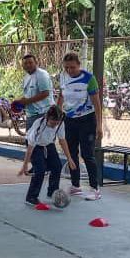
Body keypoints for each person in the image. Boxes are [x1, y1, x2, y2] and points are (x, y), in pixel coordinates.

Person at [56, 52, 106, 201]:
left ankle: (94, 188)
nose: (70, 70)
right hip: (69, 119)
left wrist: (99, 125)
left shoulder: (89, 79)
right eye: (67, 68)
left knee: (87, 154)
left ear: (79, 65)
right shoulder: (63, 77)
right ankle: (75, 185)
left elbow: (97, 104)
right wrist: (57, 115)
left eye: (72, 67)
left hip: (87, 120)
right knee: (71, 153)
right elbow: (61, 96)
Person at [20, 105, 76, 207]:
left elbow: (62, 141)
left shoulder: (60, 123)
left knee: (57, 166)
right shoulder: (39, 125)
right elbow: (30, 147)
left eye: (57, 123)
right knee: (40, 170)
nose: (55, 125)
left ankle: (53, 193)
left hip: (48, 143)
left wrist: (70, 158)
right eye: (52, 123)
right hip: (35, 145)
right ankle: (31, 197)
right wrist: (25, 165)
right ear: (47, 118)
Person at [14, 54, 54, 127]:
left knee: (40, 137)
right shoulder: (26, 77)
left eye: (30, 62)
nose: (28, 65)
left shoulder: (42, 74)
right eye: (25, 63)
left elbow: (45, 93)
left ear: (36, 63)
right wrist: (20, 101)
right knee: (30, 137)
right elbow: (28, 95)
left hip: (42, 113)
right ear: (22, 66)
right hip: (31, 114)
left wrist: (27, 101)